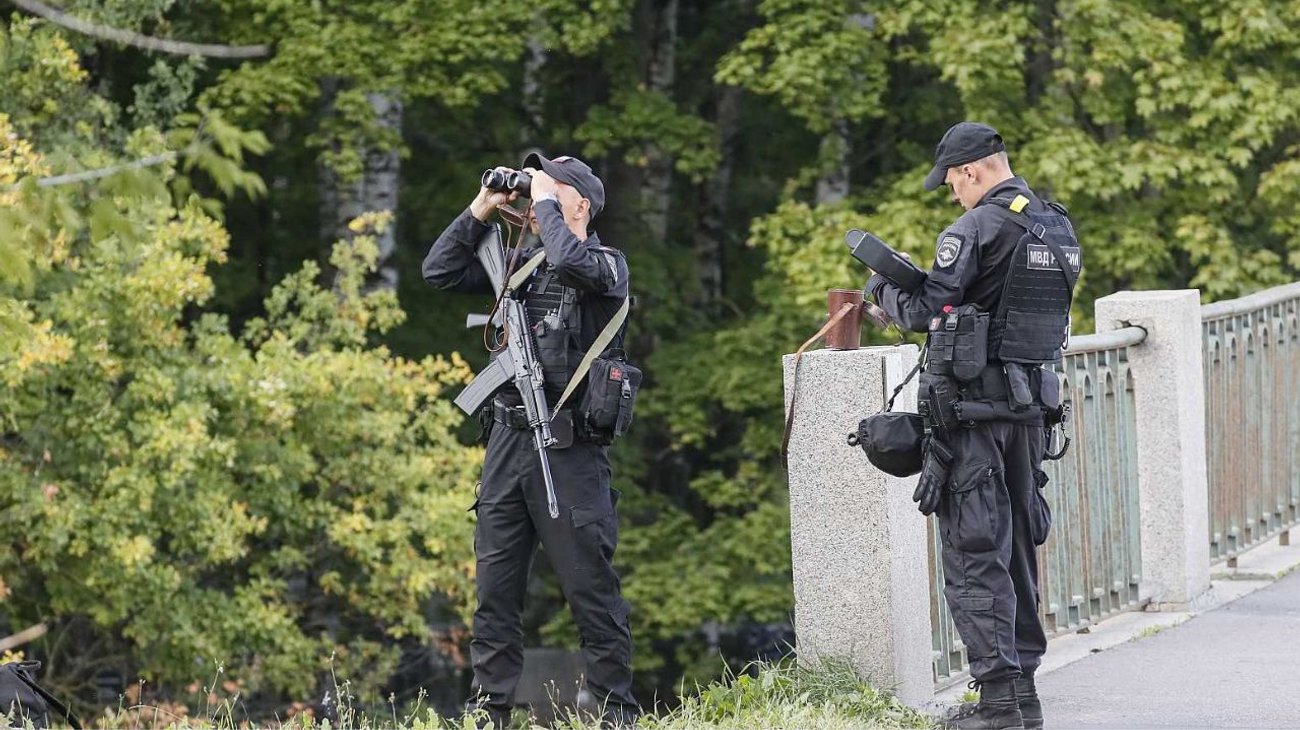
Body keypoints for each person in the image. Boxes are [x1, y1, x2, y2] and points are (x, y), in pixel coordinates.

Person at [867, 122, 1081, 730]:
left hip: (973, 420)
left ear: (972, 171)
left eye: (951, 182)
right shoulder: (1055, 225)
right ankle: (1024, 695)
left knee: (974, 550)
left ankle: (996, 706)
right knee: (1014, 547)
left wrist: (882, 285)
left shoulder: (976, 228)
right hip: (1029, 414)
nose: (951, 194)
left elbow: (928, 309)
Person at [422, 153, 639, 728]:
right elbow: (438, 271)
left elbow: (572, 258)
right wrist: (483, 208)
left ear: (580, 205)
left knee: (590, 589)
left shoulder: (605, 266)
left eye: (553, 189)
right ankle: (487, 711)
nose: (537, 195)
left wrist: (542, 199)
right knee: (494, 589)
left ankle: (618, 711)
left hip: (569, 452)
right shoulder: (520, 263)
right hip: (507, 446)